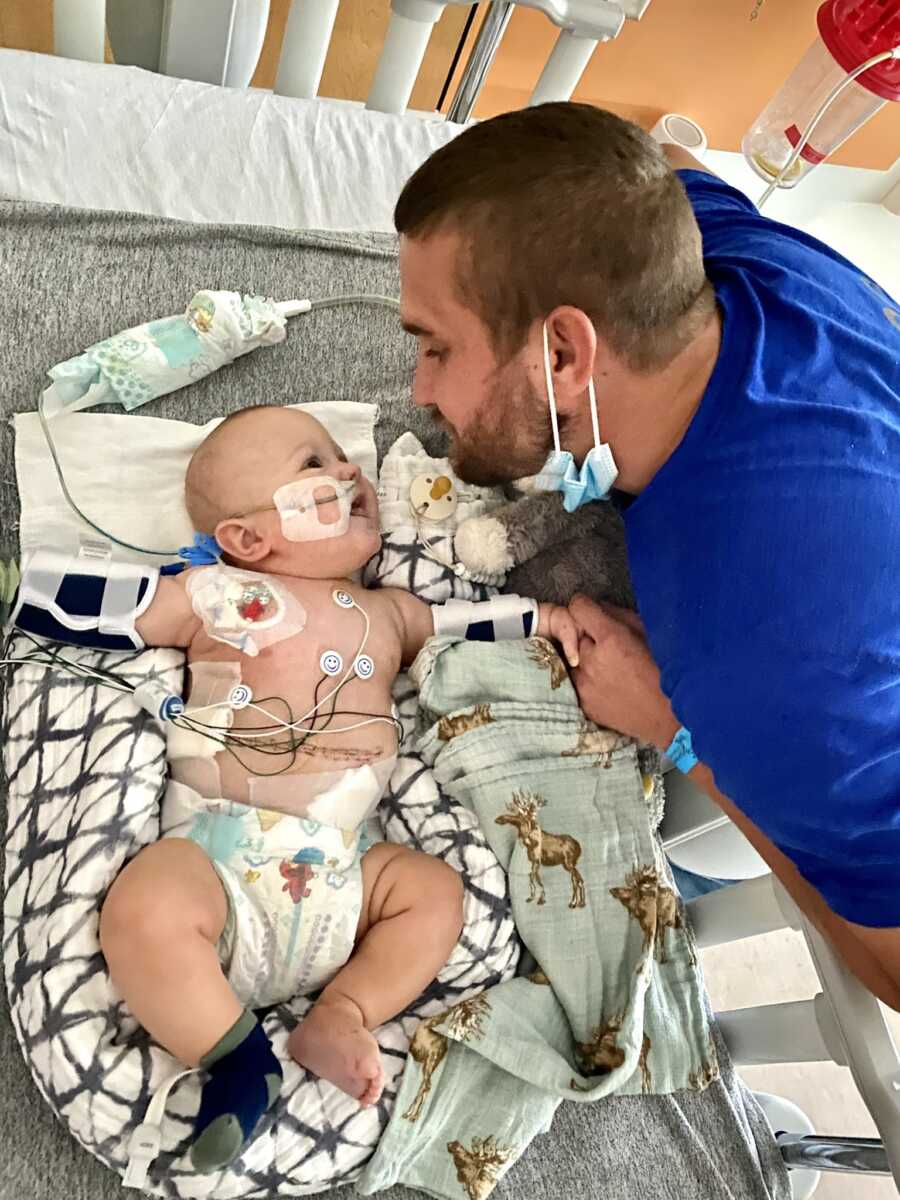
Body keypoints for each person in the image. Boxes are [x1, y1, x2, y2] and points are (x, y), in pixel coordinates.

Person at [394, 102, 900, 1010]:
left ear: (563, 351)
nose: (420, 388)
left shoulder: (756, 653)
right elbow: (661, 154)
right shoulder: (733, 259)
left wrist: (677, 732)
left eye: (436, 346)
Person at [88, 405, 577, 1171]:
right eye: (312, 464)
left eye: (339, 457)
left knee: (435, 895)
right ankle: (236, 1056)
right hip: (217, 860)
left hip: (345, 875)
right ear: (250, 540)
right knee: (143, 904)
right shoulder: (218, 594)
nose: (349, 468)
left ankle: (343, 1010)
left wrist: (544, 618)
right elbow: (113, 609)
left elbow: (466, 624)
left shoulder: (390, 612)